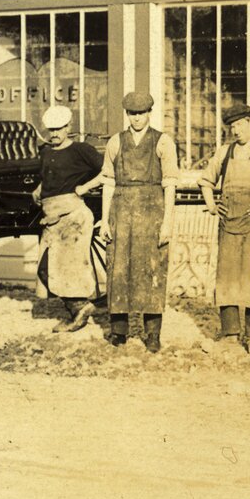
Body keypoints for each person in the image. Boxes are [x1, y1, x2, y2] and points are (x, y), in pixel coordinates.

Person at [183, 103, 250, 352]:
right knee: (227, 279)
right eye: (232, 126)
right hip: (228, 223)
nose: (236, 130)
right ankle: (230, 334)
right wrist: (212, 206)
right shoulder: (224, 153)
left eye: (240, 124)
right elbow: (206, 182)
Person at [98, 91, 178, 351]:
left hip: (152, 212)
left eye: (141, 113)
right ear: (127, 115)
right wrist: (104, 221)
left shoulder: (163, 142)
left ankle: (152, 334)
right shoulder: (116, 142)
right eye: (132, 114)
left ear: (149, 113)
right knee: (118, 269)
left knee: (152, 270)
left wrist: (167, 222)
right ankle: (118, 331)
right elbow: (108, 182)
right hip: (121, 212)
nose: (137, 119)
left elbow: (170, 184)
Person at [34, 104, 106, 333]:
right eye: (51, 129)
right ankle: (79, 307)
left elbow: (108, 171)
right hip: (52, 217)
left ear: (68, 127)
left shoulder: (81, 150)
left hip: (74, 217)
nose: (54, 134)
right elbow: (50, 176)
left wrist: (86, 187)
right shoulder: (45, 152)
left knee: (63, 266)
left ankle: (79, 309)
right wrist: (40, 188)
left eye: (59, 129)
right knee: (46, 268)